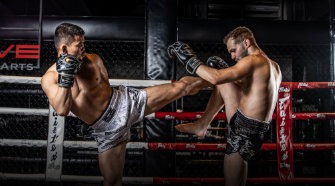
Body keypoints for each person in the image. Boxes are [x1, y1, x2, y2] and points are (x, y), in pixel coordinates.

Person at [41, 22, 212, 186]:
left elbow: (105, 87)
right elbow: (62, 109)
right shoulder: (50, 78)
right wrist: (66, 76)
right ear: (64, 48)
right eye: (78, 45)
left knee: (180, 87)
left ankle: (215, 79)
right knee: (113, 181)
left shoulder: (93, 59)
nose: (83, 48)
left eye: (83, 43)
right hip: (107, 129)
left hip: (125, 102)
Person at [168, 26, 282, 186]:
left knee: (232, 183)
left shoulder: (252, 61)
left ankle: (201, 123)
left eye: (234, 50)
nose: (232, 55)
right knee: (222, 81)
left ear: (246, 42)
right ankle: (202, 124)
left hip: (243, 130)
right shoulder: (273, 66)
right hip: (259, 130)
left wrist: (189, 59)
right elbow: (248, 89)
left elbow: (216, 78)